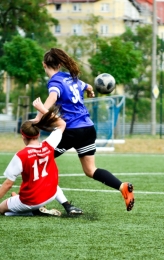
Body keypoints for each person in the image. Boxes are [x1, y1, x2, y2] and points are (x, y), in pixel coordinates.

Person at [34, 48, 134, 211]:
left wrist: (39, 115)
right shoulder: (71, 77)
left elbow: (52, 98)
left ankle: (36, 201)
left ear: (44, 65)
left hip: (71, 130)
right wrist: (90, 89)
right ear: (60, 64)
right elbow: (85, 85)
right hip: (88, 128)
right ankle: (122, 186)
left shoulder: (55, 82)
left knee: (40, 160)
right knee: (90, 170)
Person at [0, 97, 75, 216]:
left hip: (30, 201)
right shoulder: (49, 144)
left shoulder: (21, 155)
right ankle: (62, 206)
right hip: (50, 195)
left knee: (2, 209)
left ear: (23, 137)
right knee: (48, 181)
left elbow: (8, 184)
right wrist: (43, 110)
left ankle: (33, 212)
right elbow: (62, 124)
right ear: (38, 133)